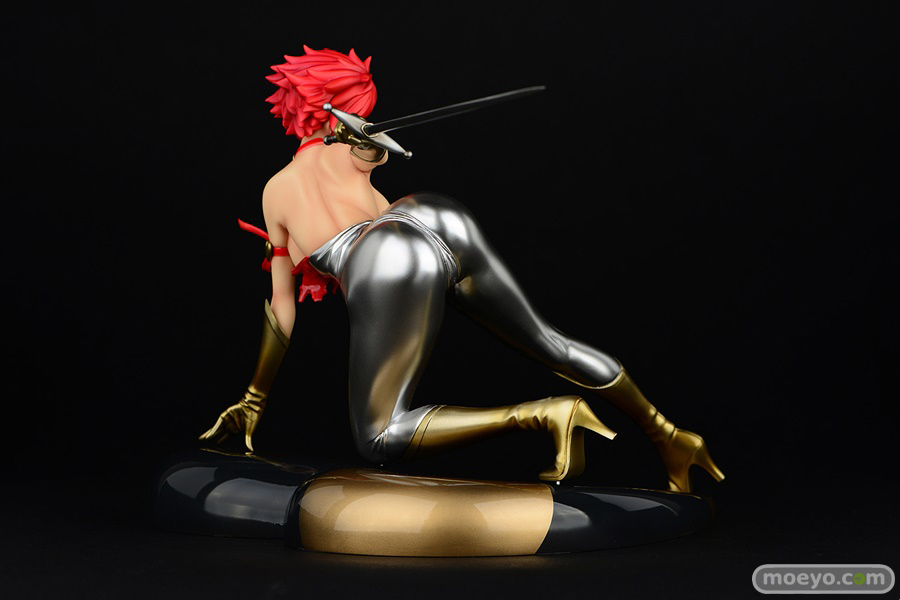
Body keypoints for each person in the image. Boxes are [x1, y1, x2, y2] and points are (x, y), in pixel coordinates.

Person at [199, 46, 724, 490]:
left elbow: (282, 308)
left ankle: (542, 415)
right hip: (432, 213)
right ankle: (669, 434)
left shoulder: (280, 189)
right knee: (549, 341)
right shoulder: (359, 154)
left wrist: (253, 400)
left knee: (378, 436)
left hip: (386, 256)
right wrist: (366, 146)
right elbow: (367, 167)